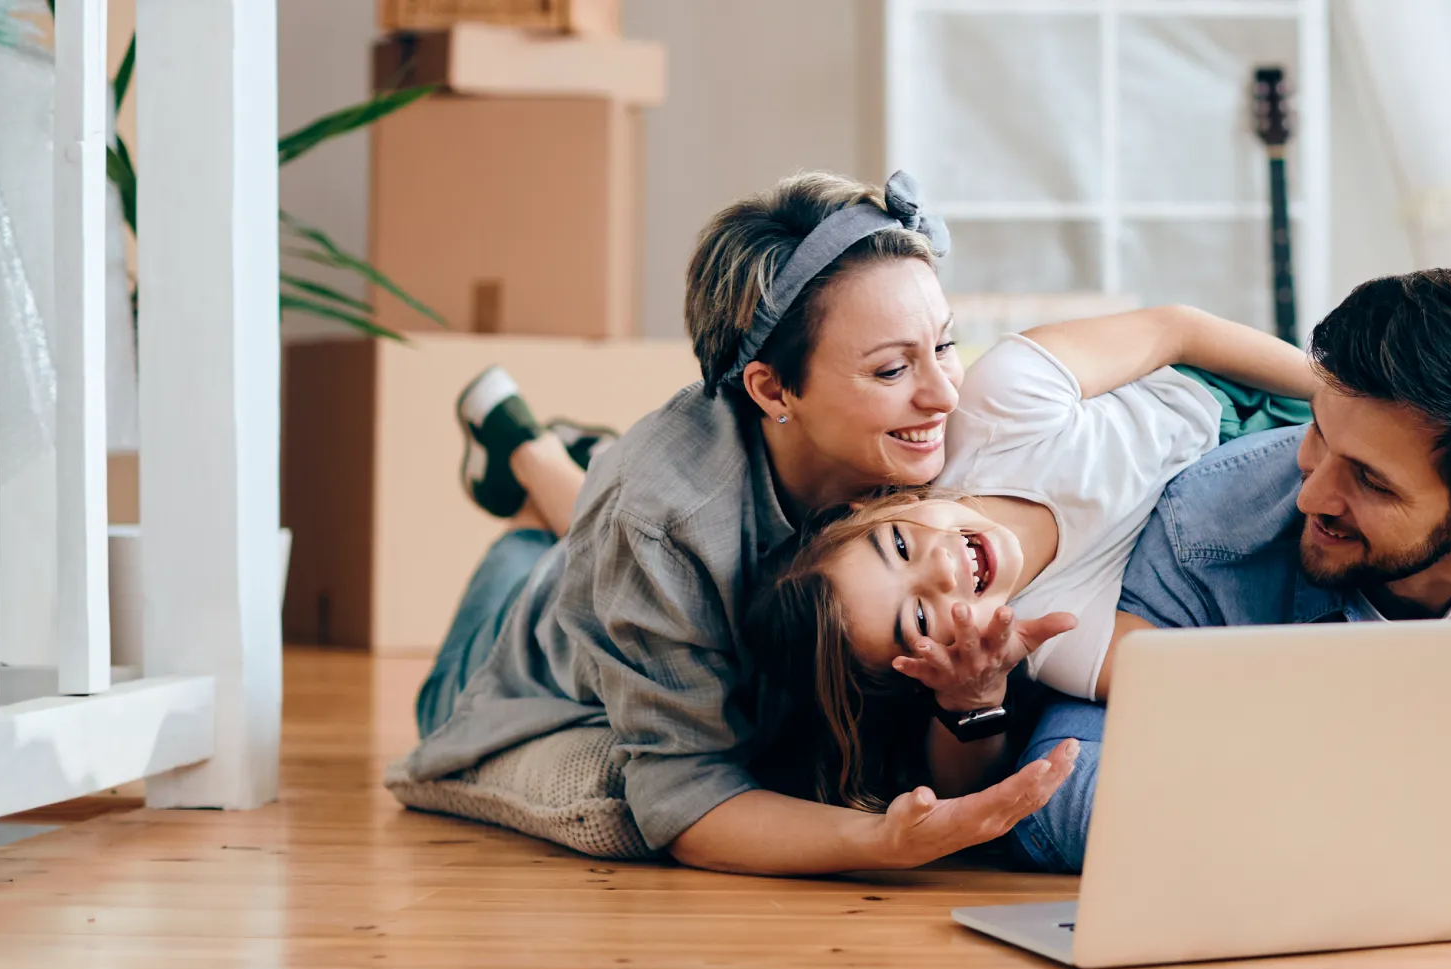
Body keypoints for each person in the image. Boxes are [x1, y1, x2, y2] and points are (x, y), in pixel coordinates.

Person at [396, 169, 1301, 876]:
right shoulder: (661, 520)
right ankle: (528, 451)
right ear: (772, 389)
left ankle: (546, 454)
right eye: (889, 371)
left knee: (595, 521)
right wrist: (885, 845)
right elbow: (685, 799)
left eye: (943, 344)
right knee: (536, 565)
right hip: (545, 643)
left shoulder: (948, 446)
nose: (944, 392)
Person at [1001, 269, 1451, 875]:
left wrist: (1325, 818)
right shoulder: (1207, 523)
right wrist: (1434, 819)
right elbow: (1057, 798)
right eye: (1317, 435)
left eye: (1370, 480)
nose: (1313, 493)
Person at [743, 309, 1317, 810]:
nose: (943, 571)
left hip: (1250, 396)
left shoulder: (996, 405)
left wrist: (1336, 395)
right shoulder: (1052, 638)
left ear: (871, 506)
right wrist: (975, 697)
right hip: (1265, 519)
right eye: (919, 618)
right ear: (931, 669)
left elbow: (1181, 331)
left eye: (898, 545)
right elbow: (1209, 670)